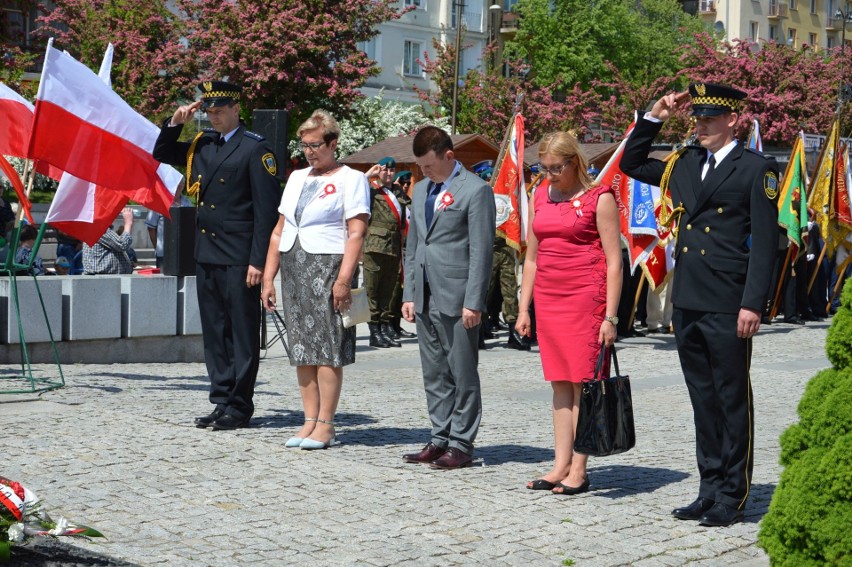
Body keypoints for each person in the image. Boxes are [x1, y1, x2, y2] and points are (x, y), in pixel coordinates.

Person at [620, 83, 779, 527]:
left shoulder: (756, 169)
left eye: (709, 119)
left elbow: (766, 245)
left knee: (731, 398)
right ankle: (708, 489)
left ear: (732, 121)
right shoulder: (685, 163)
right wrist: (654, 115)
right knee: (702, 398)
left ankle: (734, 493)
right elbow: (632, 163)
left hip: (729, 302)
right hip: (689, 299)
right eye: (696, 119)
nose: (700, 126)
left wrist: (753, 304)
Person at [153, 80, 281, 431]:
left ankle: (240, 405)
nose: (214, 117)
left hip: (240, 257)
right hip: (208, 252)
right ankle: (221, 399)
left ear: (236, 108)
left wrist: (259, 261)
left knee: (241, 332)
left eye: (220, 111)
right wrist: (176, 122)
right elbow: (162, 152)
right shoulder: (202, 143)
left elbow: (266, 212)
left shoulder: (256, 149)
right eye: (209, 112)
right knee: (214, 331)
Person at [516, 131, 622, 495]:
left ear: (575, 162)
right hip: (549, 298)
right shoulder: (539, 194)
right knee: (560, 382)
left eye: (556, 168)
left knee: (584, 385)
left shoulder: (600, 197)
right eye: (542, 168)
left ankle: (580, 466)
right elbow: (531, 256)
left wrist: (610, 316)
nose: (548, 175)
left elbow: (614, 262)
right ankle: (560, 463)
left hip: (586, 299)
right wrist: (523, 308)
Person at [261, 109, 370, 450]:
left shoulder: (352, 178)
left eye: (315, 144)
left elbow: (357, 232)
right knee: (302, 349)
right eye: (304, 145)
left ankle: (326, 424)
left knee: (327, 348)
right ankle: (309, 420)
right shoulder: (296, 178)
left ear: (333, 142)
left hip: (328, 267)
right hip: (295, 268)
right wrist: (268, 278)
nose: (309, 151)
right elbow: (279, 231)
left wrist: (343, 280)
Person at [401, 126, 496, 470]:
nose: (424, 172)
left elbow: (481, 251)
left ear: (449, 156)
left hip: (457, 297)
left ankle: (461, 442)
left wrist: (474, 300)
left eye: (429, 165)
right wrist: (409, 293)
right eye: (420, 167)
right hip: (425, 295)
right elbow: (414, 245)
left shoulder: (475, 191)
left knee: (462, 372)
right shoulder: (422, 189)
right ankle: (439, 436)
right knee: (434, 372)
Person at [363, 156, 410, 348]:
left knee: (388, 291)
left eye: (392, 170)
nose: (389, 174)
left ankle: (384, 328)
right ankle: (374, 331)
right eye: (385, 170)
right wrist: (368, 176)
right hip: (375, 247)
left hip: (393, 247)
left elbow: (408, 212)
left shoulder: (397, 191)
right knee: (372, 291)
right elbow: (353, 191)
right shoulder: (371, 189)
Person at [145, 186, 192, 269]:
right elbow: (151, 228)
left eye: (180, 185)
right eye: (175, 185)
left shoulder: (187, 202)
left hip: (183, 252)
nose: (177, 188)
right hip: (164, 252)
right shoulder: (159, 201)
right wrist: (157, 247)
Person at [82, 208, 135, 275]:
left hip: (106, 278)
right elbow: (122, 244)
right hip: (101, 279)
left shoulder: (99, 227)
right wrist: (128, 223)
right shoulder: (98, 227)